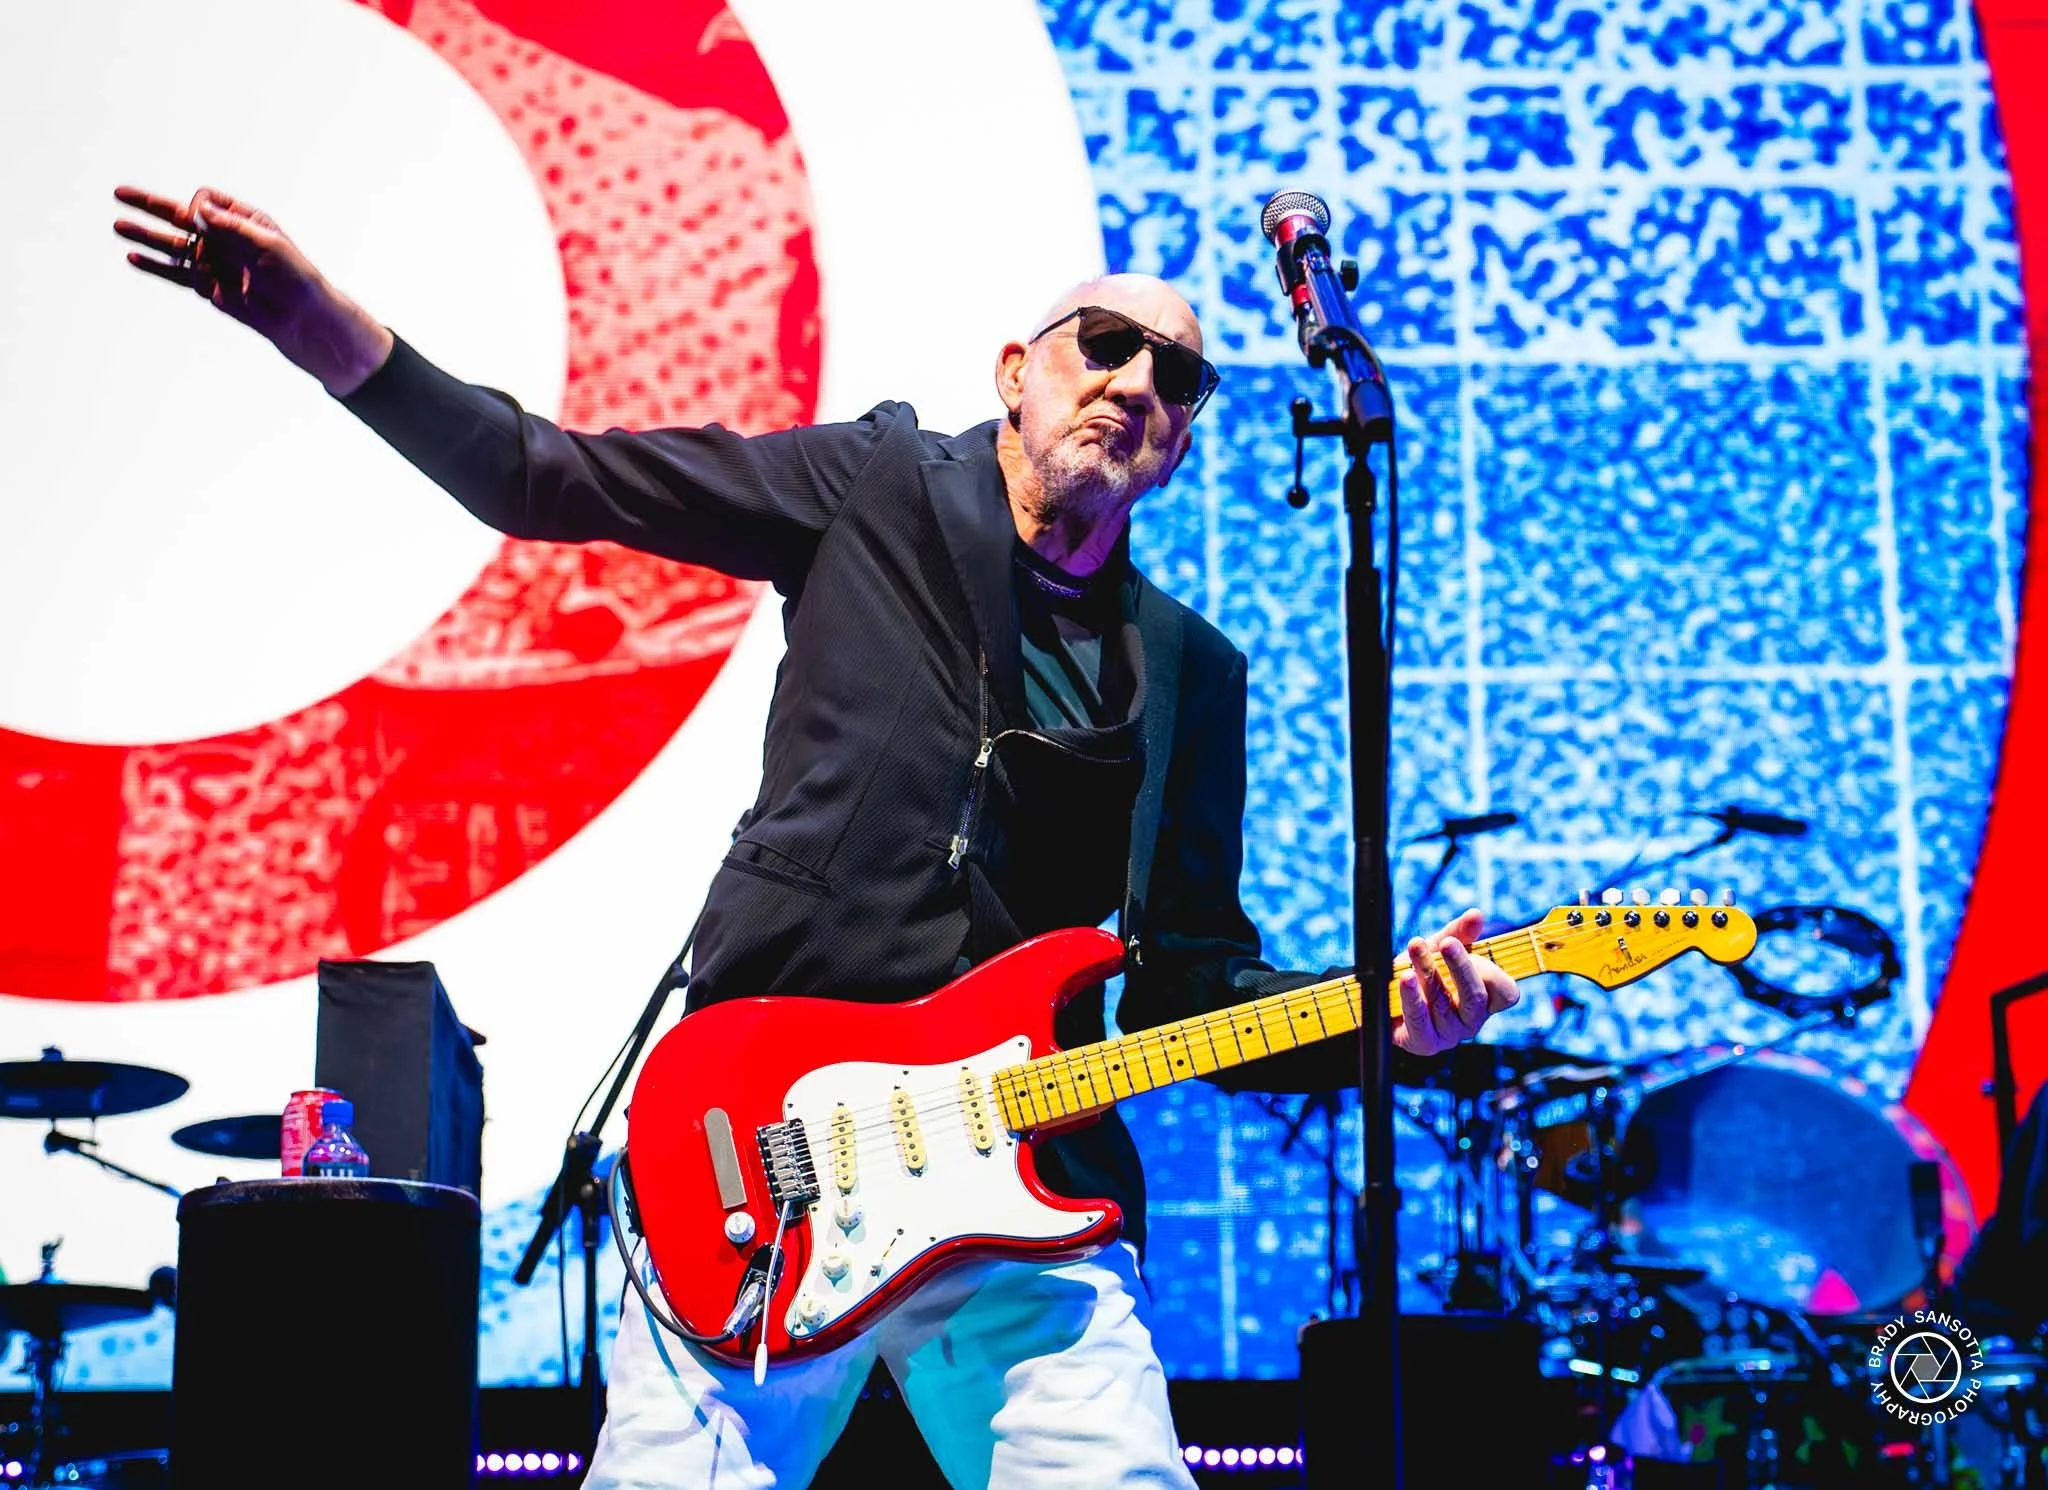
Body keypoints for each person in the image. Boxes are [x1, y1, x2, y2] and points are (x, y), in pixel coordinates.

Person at [114, 184, 1523, 1489]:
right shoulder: (880, 487)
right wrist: (332, 340)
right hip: (763, 1143)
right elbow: (552, 477)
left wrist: (1377, 1024)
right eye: (1106, 343)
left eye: (1181, 377)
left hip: (1027, 1195)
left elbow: (1187, 980)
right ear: (1015, 373)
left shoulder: (1191, 673)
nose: (1140, 382)